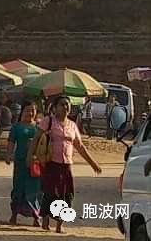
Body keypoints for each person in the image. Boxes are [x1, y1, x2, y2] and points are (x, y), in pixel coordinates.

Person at [27, 95, 101, 234]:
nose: (66, 107)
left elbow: (79, 146)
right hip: (50, 164)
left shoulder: (72, 125)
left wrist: (93, 164)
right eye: (62, 104)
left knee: (67, 194)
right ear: (55, 108)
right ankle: (46, 220)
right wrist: (30, 156)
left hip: (66, 165)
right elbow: (36, 139)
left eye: (67, 104)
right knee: (50, 193)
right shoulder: (48, 121)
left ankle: (60, 225)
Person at [6, 101, 42, 226]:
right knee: (18, 188)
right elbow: (11, 142)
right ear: (22, 111)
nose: (30, 113)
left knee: (35, 189)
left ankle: (36, 217)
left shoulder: (39, 127)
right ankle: (14, 215)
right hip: (20, 162)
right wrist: (9, 155)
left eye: (32, 110)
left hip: (35, 163)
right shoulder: (16, 127)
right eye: (27, 110)